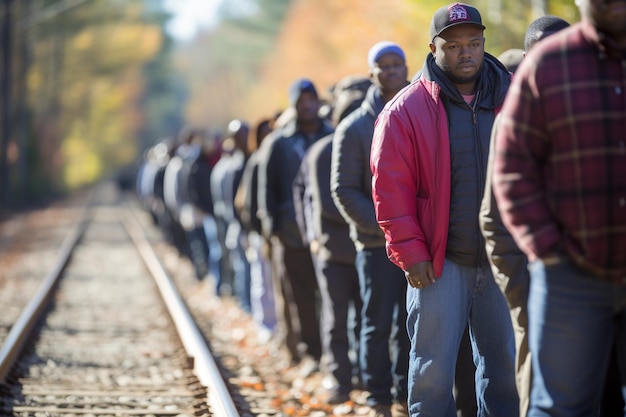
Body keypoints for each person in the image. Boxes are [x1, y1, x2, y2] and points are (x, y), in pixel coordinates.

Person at [369, 4, 519, 416]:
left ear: (483, 44)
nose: (465, 53)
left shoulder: (515, 96)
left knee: (504, 371)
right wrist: (411, 254)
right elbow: (390, 192)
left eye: (473, 43)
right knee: (432, 372)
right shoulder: (404, 111)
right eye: (453, 46)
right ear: (434, 48)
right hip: (439, 264)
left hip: (502, 259)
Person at [491, 0, 626, 414]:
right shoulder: (548, 65)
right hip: (572, 277)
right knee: (561, 407)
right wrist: (549, 252)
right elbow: (513, 172)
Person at [479, 14, 570, 417]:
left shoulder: (605, 104)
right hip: (535, 282)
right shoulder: (512, 121)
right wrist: (518, 284)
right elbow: (493, 217)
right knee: (539, 388)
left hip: (602, 284)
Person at [331, 41, 411, 417]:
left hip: (415, 243)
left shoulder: (421, 112)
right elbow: (343, 189)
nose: (392, 71)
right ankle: (378, 395)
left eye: (398, 64)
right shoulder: (353, 128)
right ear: (372, 73)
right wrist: (385, 226)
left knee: (410, 324)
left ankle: (405, 392)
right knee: (376, 323)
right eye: (384, 65)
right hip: (376, 245)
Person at [294, 83, 367, 405]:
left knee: (367, 321)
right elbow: (320, 199)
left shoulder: (372, 143)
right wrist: (310, 234)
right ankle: (340, 380)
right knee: (337, 320)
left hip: (366, 249)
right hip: (334, 250)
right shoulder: (323, 151)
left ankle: (365, 377)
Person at [257, 78, 334, 365]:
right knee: (299, 298)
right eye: (301, 101)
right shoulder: (278, 143)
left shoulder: (332, 135)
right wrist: (273, 229)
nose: (307, 106)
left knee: (331, 300)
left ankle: (333, 355)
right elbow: (267, 190)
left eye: (311, 99)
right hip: (291, 236)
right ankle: (309, 354)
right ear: (294, 105)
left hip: (328, 233)